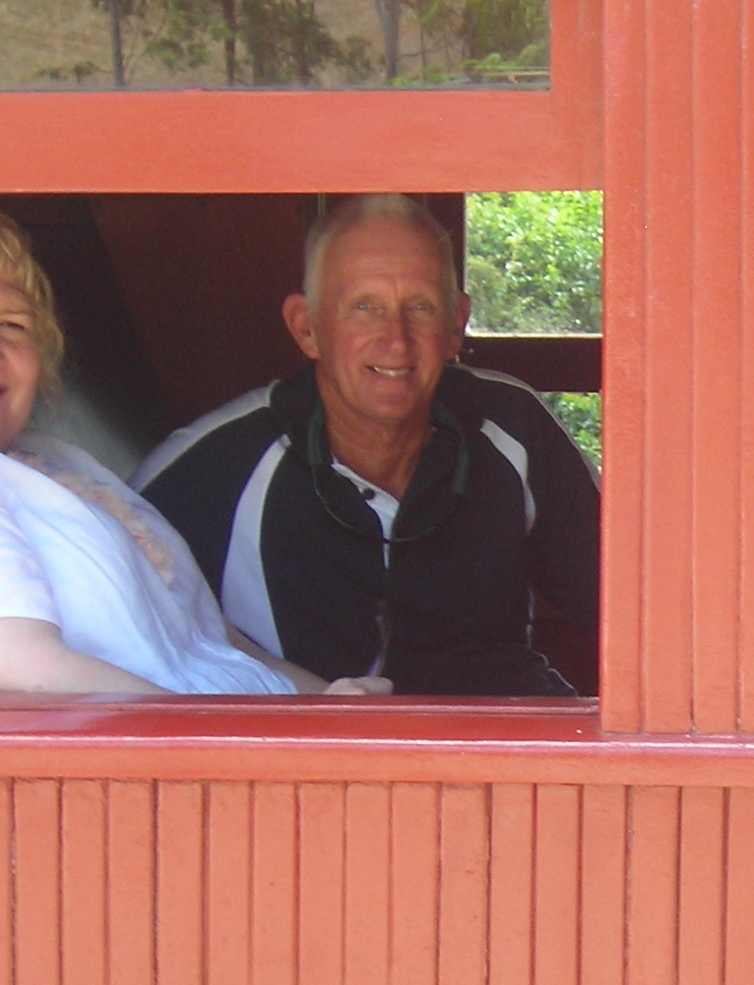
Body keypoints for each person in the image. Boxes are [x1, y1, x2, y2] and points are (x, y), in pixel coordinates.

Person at [0, 203, 385, 695]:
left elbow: (218, 646)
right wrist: (254, 744)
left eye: (12, 324)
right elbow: (12, 676)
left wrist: (330, 709)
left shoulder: (54, 463)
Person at [136, 194, 601, 695]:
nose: (396, 340)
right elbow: (122, 640)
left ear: (455, 325)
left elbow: (632, 605)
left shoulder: (513, 426)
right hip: (314, 761)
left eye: (419, 308)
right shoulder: (212, 468)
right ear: (307, 327)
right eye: (364, 307)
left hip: (504, 748)